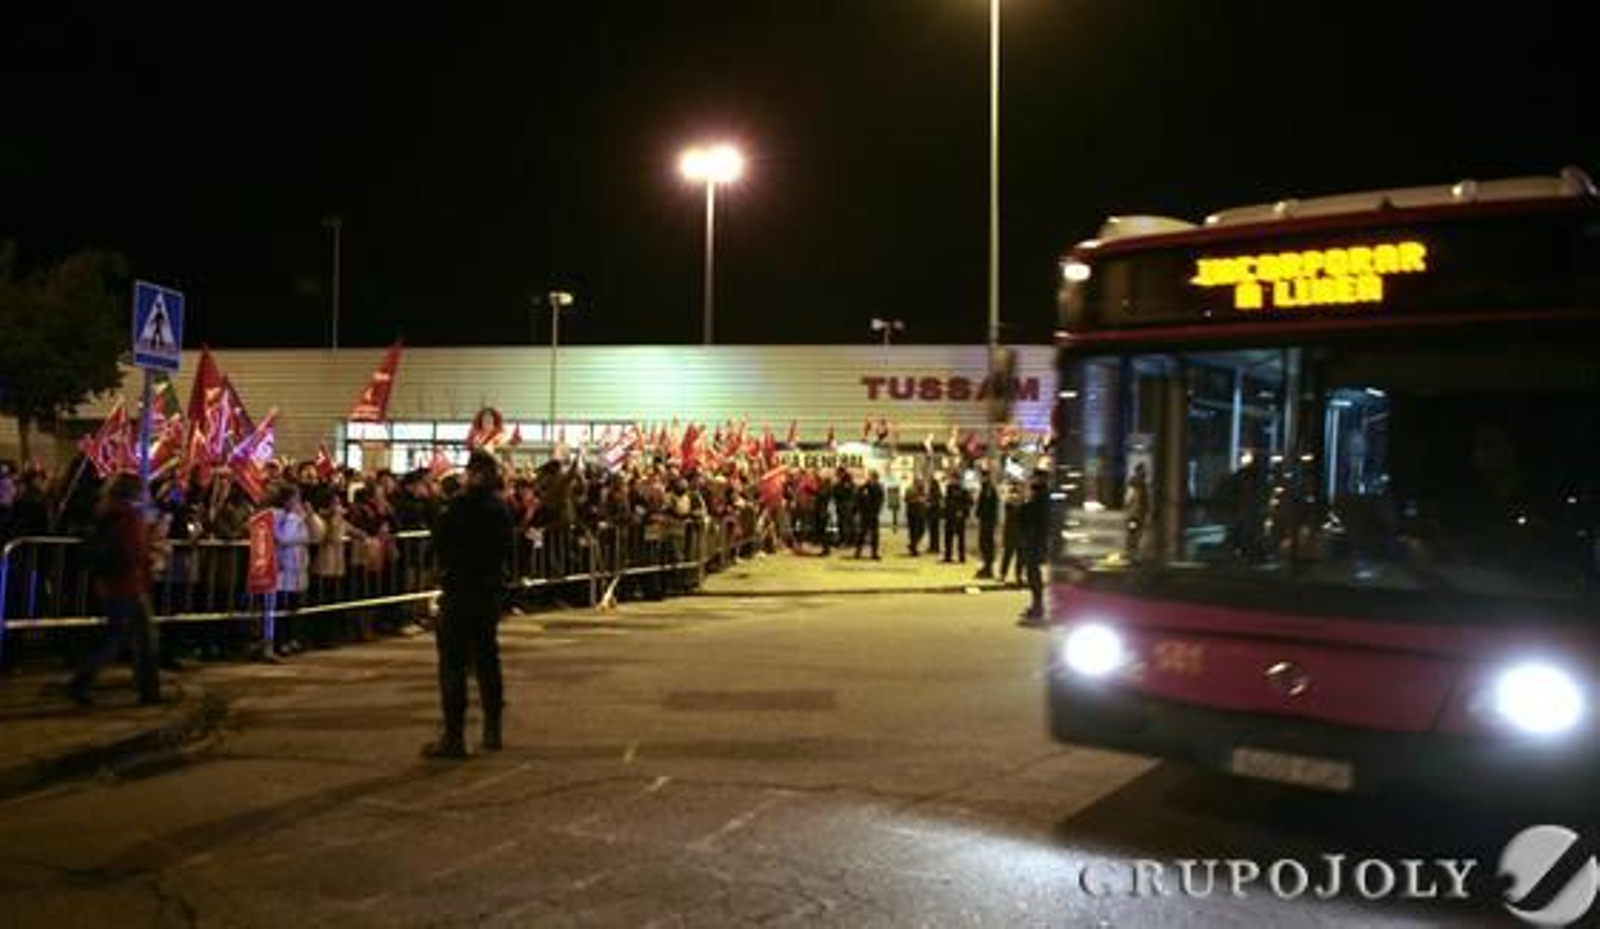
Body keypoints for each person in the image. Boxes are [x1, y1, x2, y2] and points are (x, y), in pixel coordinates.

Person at [423, 450, 513, 759]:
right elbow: (507, 550)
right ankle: (492, 728)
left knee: (453, 665)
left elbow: (437, 544)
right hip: (487, 592)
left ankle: (454, 735)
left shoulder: (457, 507)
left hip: (460, 592)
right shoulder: (500, 510)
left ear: (472, 474)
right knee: (488, 660)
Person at [67, 474, 160, 706]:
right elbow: (132, 551)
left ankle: (84, 680)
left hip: (117, 583)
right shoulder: (128, 516)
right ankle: (147, 691)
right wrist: (152, 558)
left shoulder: (109, 511)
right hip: (129, 584)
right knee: (137, 639)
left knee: (122, 638)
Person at [1018, 464, 1052, 625]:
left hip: (1035, 541)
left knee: (1034, 574)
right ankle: (1036, 605)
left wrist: (1024, 504)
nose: (1033, 479)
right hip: (1032, 540)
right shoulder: (1037, 494)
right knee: (1032, 574)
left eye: (1035, 477)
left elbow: (1036, 518)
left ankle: (1038, 607)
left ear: (1041, 479)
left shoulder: (1041, 495)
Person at [974, 466, 1000, 578]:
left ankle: (988, 568)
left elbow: (988, 507)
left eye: (984, 477)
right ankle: (986, 566)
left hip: (988, 521)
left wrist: (981, 514)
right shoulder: (985, 488)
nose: (982, 479)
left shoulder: (989, 489)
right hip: (985, 521)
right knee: (984, 544)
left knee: (987, 544)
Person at [854, 470, 885, 559]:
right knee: (861, 534)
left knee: (875, 535)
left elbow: (880, 501)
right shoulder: (864, 487)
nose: (872, 479)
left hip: (873, 515)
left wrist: (875, 511)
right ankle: (858, 552)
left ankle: (874, 553)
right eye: (871, 477)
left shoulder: (879, 488)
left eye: (874, 478)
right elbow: (858, 498)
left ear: (876, 479)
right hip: (864, 514)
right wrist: (859, 510)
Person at [941, 473, 971, 564]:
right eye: (952, 479)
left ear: (958, 480)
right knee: (948, 537)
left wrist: (962, 511)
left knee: (961, 538)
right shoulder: (948, 489)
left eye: (954, 479)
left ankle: (961, 557)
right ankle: (948, 556)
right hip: (949, 517)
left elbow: (969, 502)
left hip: (959, 518)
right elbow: (946, 502)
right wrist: (944, 513)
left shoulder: (963, 490)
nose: (953, 481)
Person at [1123, 462, 1149, 559]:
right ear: (1139, 471)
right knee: (1133, 532)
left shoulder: (1142, 484)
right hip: (1134, 514)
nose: (1146, 472)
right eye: (1144, 470)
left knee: (1136, 533)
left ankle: (1132, 552)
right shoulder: (1134, 483)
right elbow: (1128, 498)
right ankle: (1131, 552)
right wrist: (1129, 510)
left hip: (1138, 514)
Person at [904, 479, 927, 556]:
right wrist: (916, 500)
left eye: (921, 482)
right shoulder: (909, 489)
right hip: (912, 513)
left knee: (922, 530)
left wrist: (924, 500)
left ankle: (912, 545)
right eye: (919, 482)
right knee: (913, 531)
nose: (920, 483)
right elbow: (906, 499)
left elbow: (925, 498)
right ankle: (914, 548)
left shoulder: (922, 489)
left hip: (921, 512)